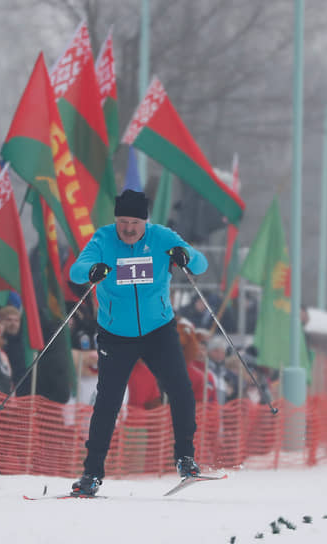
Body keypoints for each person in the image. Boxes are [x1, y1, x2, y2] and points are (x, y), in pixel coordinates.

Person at [67, 189, 208, 496]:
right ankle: (91, 474)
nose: (128, 228)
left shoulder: (161, 237)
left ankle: (186, 459)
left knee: (181, 389)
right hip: (116, 334)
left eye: (134, 222)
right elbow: (76, 271)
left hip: (159, 329)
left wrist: (186, 256)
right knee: (108, 401)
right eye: (123, 221)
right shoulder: (103, 240)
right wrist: (92, 271)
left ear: (145, 221)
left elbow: (200, 264)